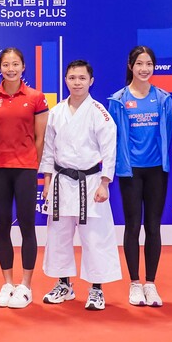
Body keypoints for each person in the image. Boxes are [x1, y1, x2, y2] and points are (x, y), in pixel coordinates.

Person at [40, 60, 121, 311]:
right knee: (58, 235)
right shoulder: (56, 112)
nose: (77, 83)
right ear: (66, 80)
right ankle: (63, 284)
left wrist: (105, 183)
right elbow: (48, 150)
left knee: (95, 237)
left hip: (91, 181)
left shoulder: (99, 112)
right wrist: (47, 181)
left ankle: (96, 289)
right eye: (72, 78)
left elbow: (109, 151)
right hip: (61, 181)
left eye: (82, 78)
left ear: (91, 81)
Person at [107, 45, 172, 307]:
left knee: (153, 227)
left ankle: (151, 284)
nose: (145, 69)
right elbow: (112, 140)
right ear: (130, 66)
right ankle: (135, 284)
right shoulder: (118, 101)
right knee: (133, 226)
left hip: (157, 170)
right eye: (140, 64)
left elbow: (167, 134)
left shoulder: (164, 99)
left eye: (149, 64)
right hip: (130, 171)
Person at [0, 48, 48, 308]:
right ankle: (7, 284)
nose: (11, 68)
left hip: (26, 169)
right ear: (0, 68)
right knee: (2, 228)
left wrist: (32, 162)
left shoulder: (35, 97)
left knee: (27, 227)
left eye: (16, 64)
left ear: (23, 68)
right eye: (6, 64)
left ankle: (26, 286)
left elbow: (40, 138)